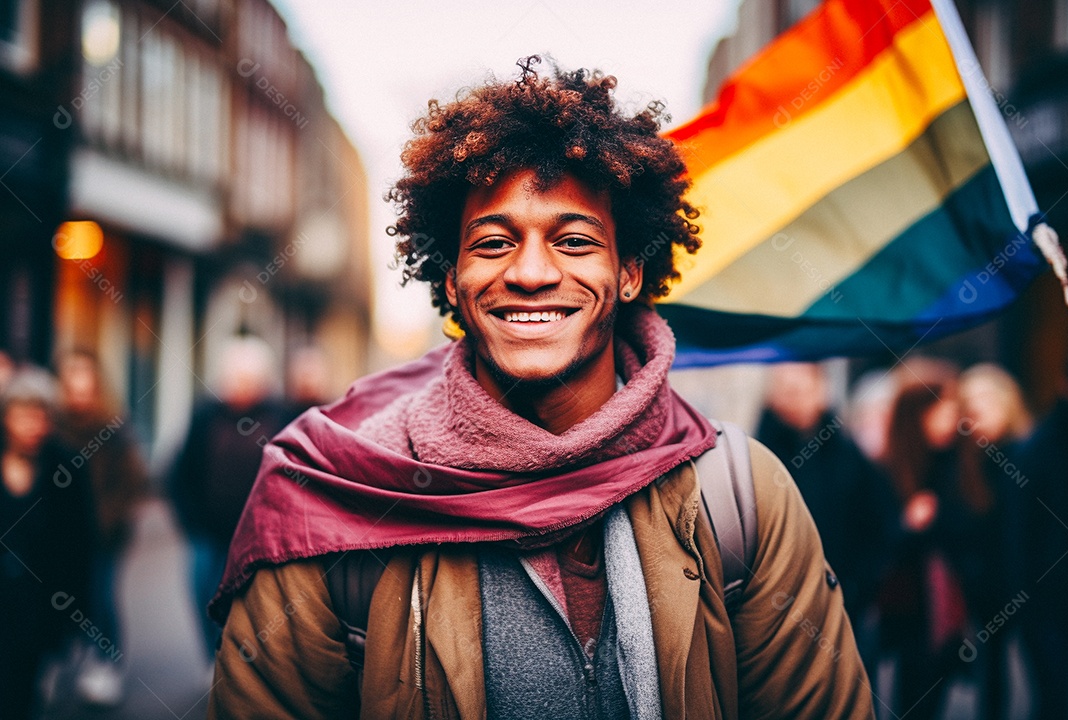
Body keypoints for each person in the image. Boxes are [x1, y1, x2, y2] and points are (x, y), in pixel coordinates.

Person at [207, 57, 874, 719]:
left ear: (630, 273)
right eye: (493, 243)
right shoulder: (334, 499)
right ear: (451, 280)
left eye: (575, 241)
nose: (530, 272)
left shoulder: (741, 497)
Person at [876, 371, 994, 720]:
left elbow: (977, 529)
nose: (949, 422)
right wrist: (907, 526)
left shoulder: (963, 463)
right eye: (940, 412)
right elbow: (876, 547)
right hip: (909, 612)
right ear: (917, 416)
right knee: (910, 698)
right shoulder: (889, 471)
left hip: (955, 609)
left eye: (951, 411)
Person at [168, 334, 291, 664]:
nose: (240, 386)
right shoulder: (205, 416)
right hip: (208, 534)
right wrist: (190, 523)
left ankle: (241, 667)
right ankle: (214, 658)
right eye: (234, 378)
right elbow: (180, 472)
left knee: (255, 605)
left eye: (249, 379)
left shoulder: (281, 417)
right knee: (202, 595)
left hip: (260, 538)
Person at [755, 363, 898, 645]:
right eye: (786, 390)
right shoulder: (757, 453)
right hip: (774, 604)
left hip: (841, 599)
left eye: (802, 390)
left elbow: (878, 522)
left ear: (821, 393)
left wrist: (859, 585)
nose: (794, 398)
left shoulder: (848, 455)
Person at [54, 349, 149, 706]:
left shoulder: (113, 427)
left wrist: (110, 517)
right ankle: (64, 660)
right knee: (64, 595)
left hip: (103, 534)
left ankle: (107, 662)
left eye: (84, 378)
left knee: (100, 596)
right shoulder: (53, 425)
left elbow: (134, 478)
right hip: (61, 532)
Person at [0, 367, 95, 718]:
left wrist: (75, 614)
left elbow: (80, 545)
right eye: (22, 414)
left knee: (22, 694)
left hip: (39, 604)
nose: (31, 425)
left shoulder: (66, 466)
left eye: (40, 415)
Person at [955, 363, 1032, 720]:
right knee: (990, 671)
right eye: (971, 408)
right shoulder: (967, 459)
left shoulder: (1027, 454)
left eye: (985, 403)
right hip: (981, 584)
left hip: (1025, 580)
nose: (978, 415)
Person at [1014, 347, 1068, 720]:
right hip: (1050, 600)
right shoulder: (1039, 448)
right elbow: (1021, 532)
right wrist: (1026, 599)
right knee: (1054, 701)